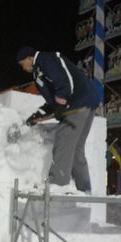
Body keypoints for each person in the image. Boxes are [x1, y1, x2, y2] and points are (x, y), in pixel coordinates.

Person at [16, 46, 100, 192]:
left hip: (78, 103)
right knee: (76, 149)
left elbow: (65, 80)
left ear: (29, 58)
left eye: (22, 63)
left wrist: (63, 101)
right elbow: (53, 101)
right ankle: (84, 189)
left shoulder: (46, 59)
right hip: (87, 102)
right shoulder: (40, 71)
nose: (23, 68)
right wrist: (36, 116)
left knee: (63, 139)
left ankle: (57, 184)